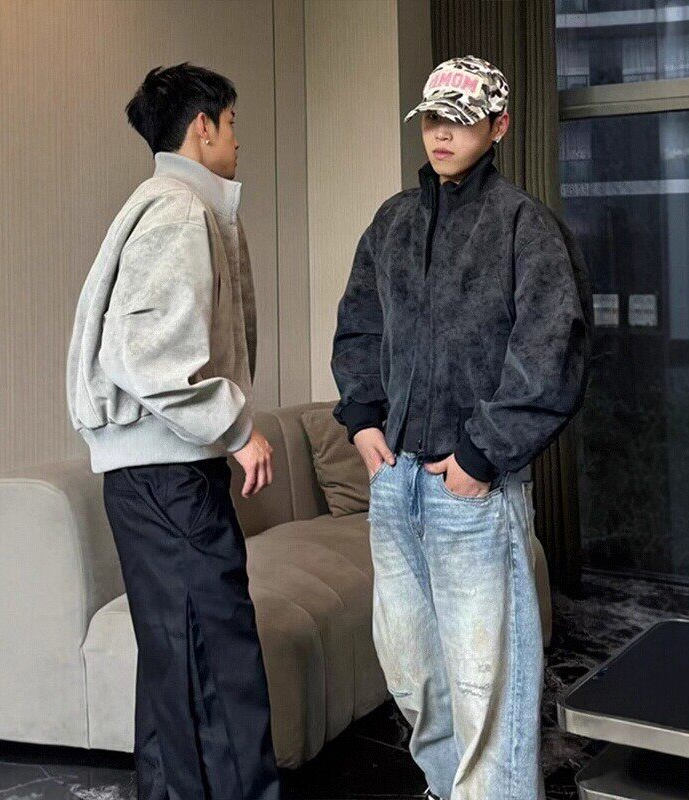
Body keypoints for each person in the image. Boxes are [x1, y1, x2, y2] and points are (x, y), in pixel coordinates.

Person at [331, 56, 592, 800]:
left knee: (487, 687)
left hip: (472, 490)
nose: (442, 134)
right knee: (414, 676)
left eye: (461, 120)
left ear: (499, 126)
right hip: (395, 483)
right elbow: (359, 325)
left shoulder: (523, 225)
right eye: (433, 119)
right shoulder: (393, 221)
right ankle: (449, 791)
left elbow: (552, 350)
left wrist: (481, 455)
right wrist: (362, 420)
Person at [66, 63, 281, 800]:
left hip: (152, 477)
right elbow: (146, 357)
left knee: (176, 662)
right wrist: (236, 427)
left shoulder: (165, 204)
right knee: (216, 664)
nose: (238, 141)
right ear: (203, 127)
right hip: (168, 477)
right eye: (233, 124)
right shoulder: (180, 210)